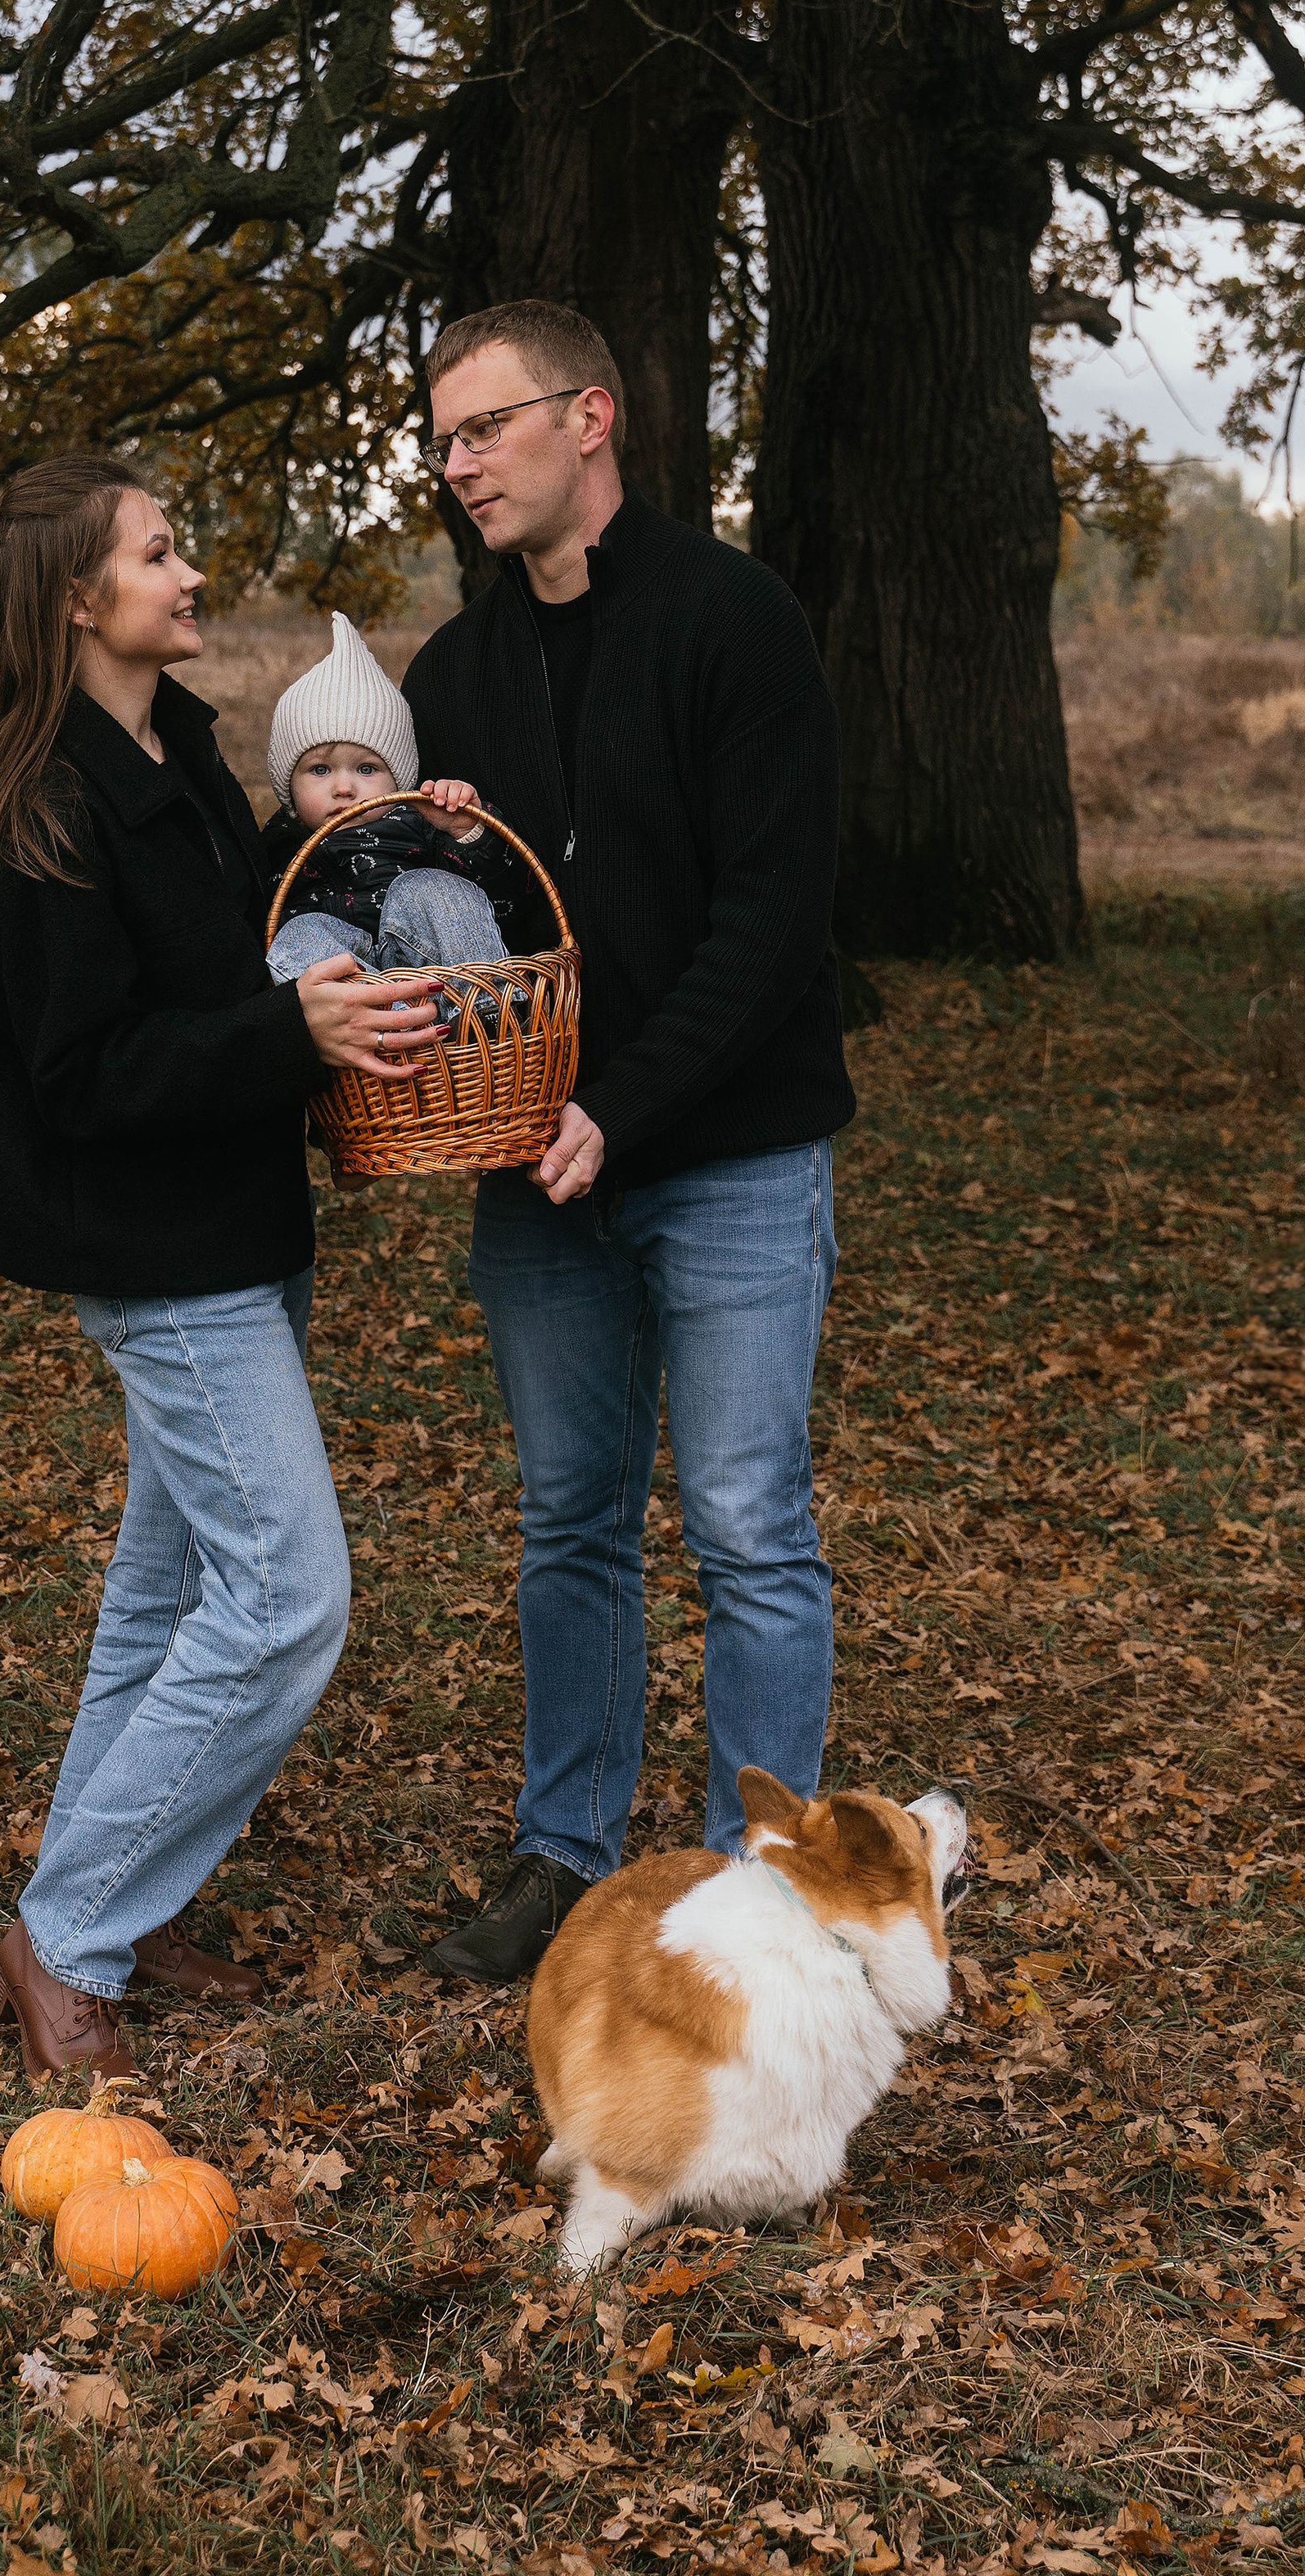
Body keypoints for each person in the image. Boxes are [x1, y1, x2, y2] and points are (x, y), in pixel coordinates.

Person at [0, 452, 446, 2077]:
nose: (190, 573)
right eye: (159, 554)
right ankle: (68, 1936)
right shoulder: (45, 814)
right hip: (159, 1256)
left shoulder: (179, 750)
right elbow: (87, 1077)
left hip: (238, 1225)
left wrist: (401, 832)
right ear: (82, 598)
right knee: (286, 1601)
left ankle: (124, 1906)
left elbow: (255, 948)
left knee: (167, 1603)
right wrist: (289, 1032)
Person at [401, 301, 856, 1983]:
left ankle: (765, 1893)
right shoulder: (453, 675)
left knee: (745, 1524)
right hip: (535, 1179)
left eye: (484, 429)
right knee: (571, 1521)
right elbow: (422, 922)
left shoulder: (733, 619)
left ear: (586, 418)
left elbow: (773, 918)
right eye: (441, 443)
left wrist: (625, 1105)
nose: (459, 466)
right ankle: (565, 1858)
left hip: (729, 1154)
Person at [261, 611, 511, 997]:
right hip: (354, 999)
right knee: (299, 933)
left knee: (429, 888)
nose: (345, 788)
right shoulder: (278, 845)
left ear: (398, 781)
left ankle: (487, 1006)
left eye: (366, 769)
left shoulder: (420, 823)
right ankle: (397, 1023)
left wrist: (468, 832)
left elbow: (506, 899)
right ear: (288, 787)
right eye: (320, 770)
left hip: (436, 979)